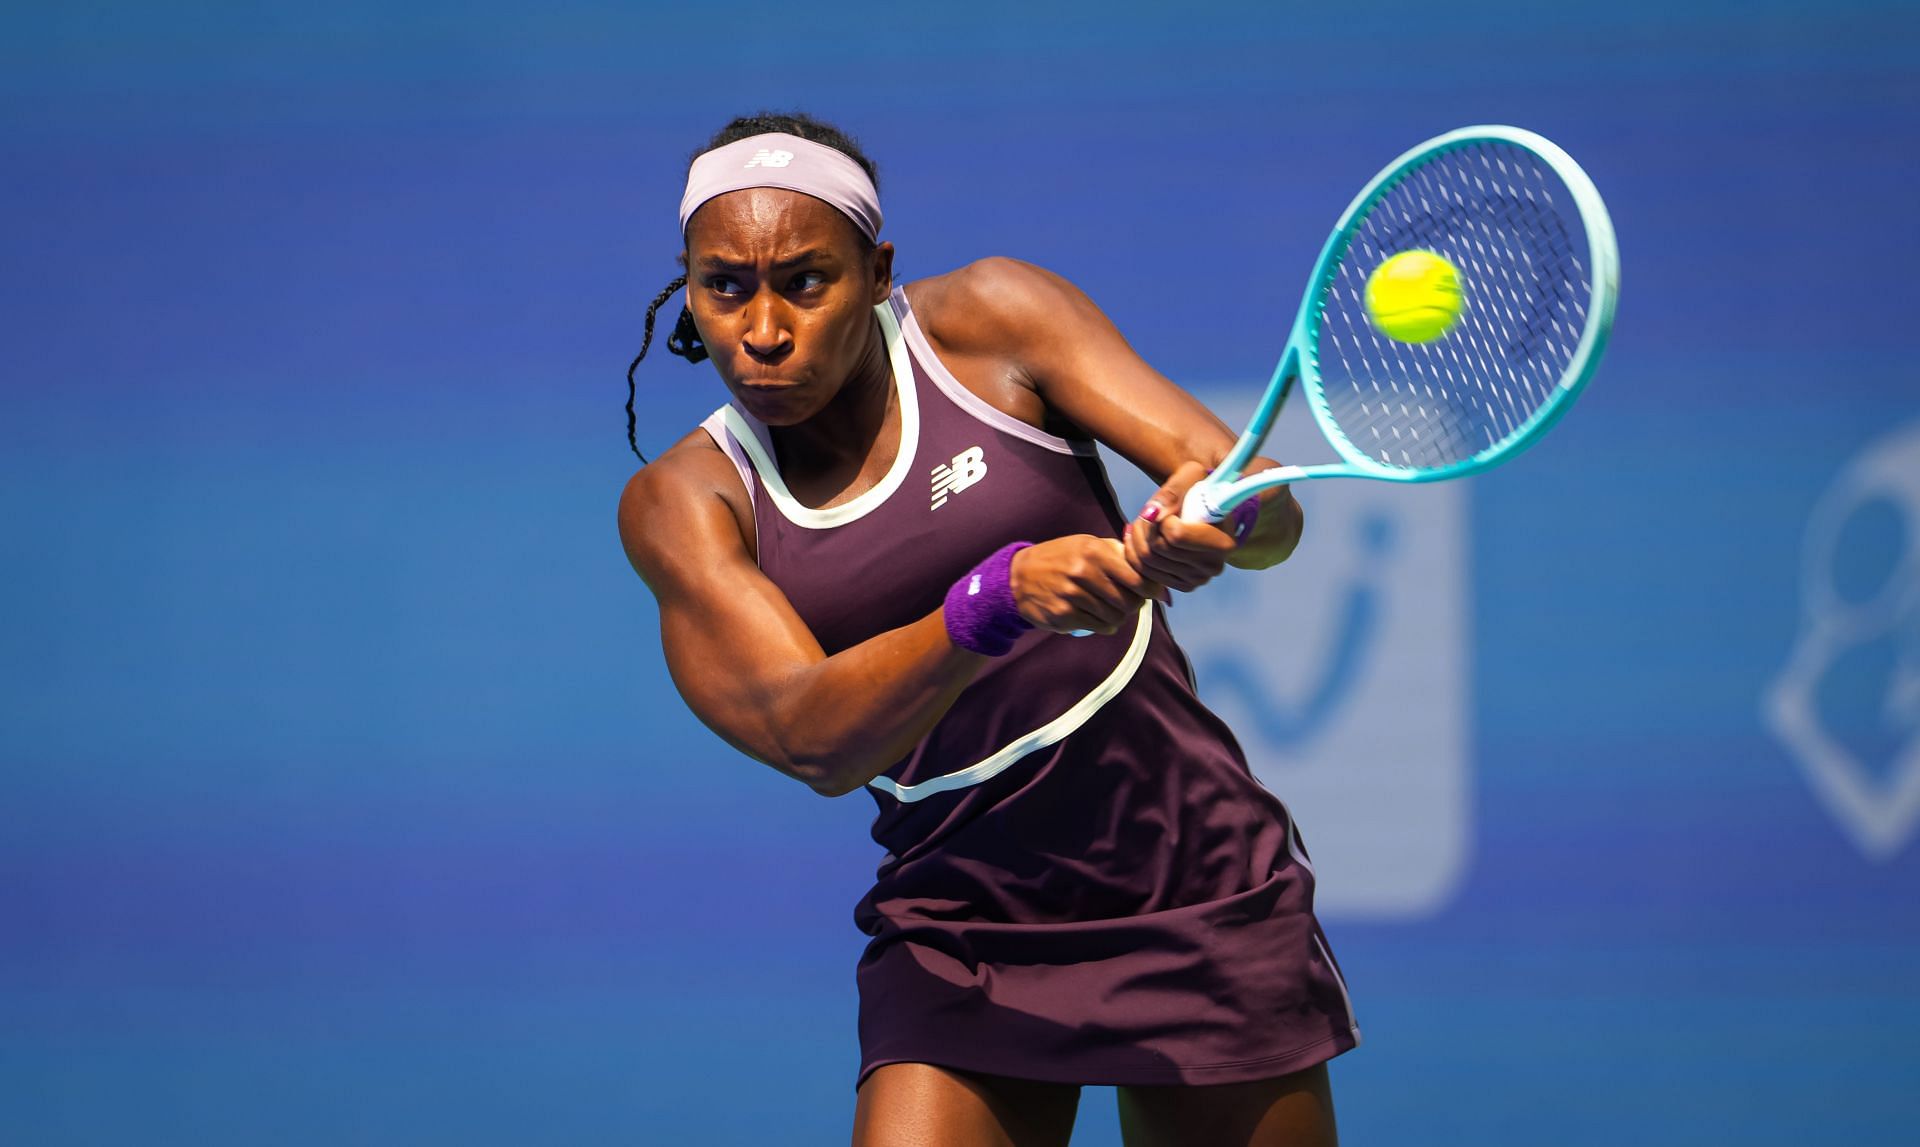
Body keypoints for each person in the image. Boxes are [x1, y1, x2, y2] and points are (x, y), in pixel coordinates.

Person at [617, 112, 1358, 1147]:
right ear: (689, 284)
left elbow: (1265, 505)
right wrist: (993, 601)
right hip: (964, 918)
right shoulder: (687, 501)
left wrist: (1217, 516)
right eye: (726, 285)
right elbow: (809, 735)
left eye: (806, 280)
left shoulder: (993, 322)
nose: (765, 327)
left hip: (1193, 878)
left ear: (878, 273)